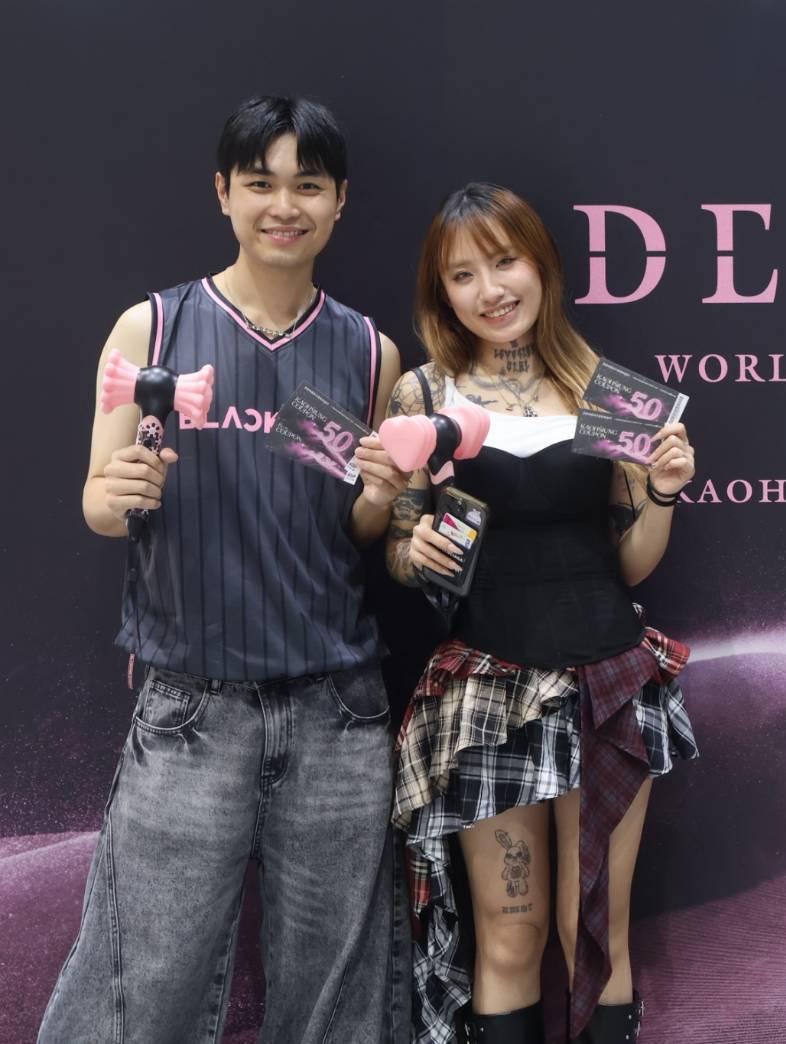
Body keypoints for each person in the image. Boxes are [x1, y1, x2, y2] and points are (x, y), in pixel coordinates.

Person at [42, 96, 412, 1043]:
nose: (283, 206)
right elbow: (98, 501)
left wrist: (380, 495)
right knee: (136, 993)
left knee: (335, 1005)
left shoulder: (371, 354)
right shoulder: (150, 330)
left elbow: (360, 529)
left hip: (340, 713)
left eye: (307, 186)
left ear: (340, 202)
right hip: (191, 710)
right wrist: (120, 489)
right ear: (222, 192)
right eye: (260, 183)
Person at [385, 182, 698, 1044]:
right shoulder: (423, 394)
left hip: (610, 684)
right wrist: (418, 551)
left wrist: (663, 492)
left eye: (505, 262)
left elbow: (630, 562)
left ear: (543, 266)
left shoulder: (608, 391)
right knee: (511, 933)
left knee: (594, 927)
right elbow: (400, 548)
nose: (489, 290)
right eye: (463, 275)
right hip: (489, 694)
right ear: (441, 292)